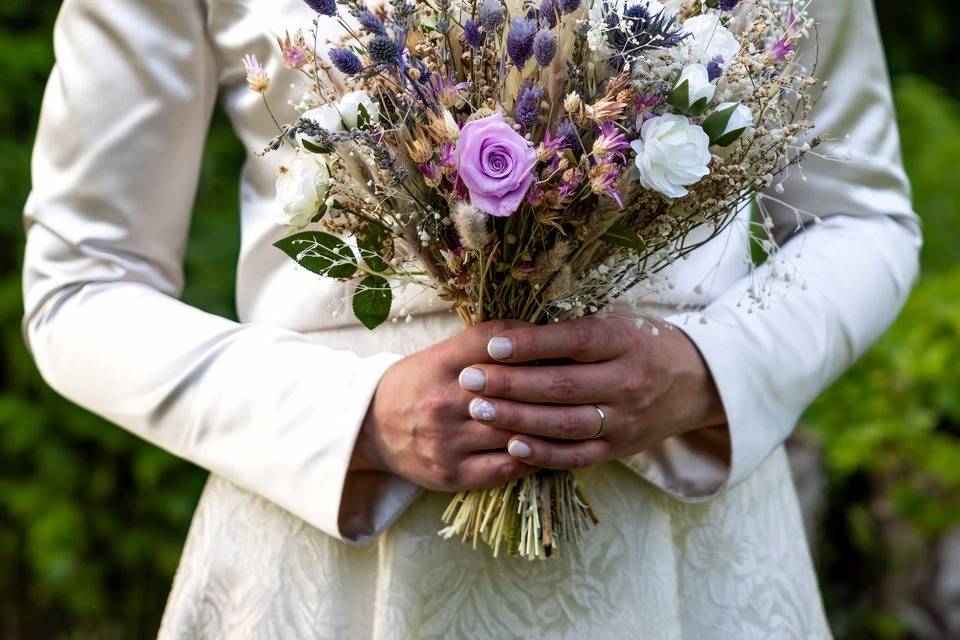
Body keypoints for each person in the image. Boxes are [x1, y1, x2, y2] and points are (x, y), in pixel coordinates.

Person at [21, 0, 919, 637]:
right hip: (342, 573)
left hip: (681, 570)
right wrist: (354, 421)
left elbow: (860, 219)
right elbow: (81, 281)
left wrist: (707, 368)